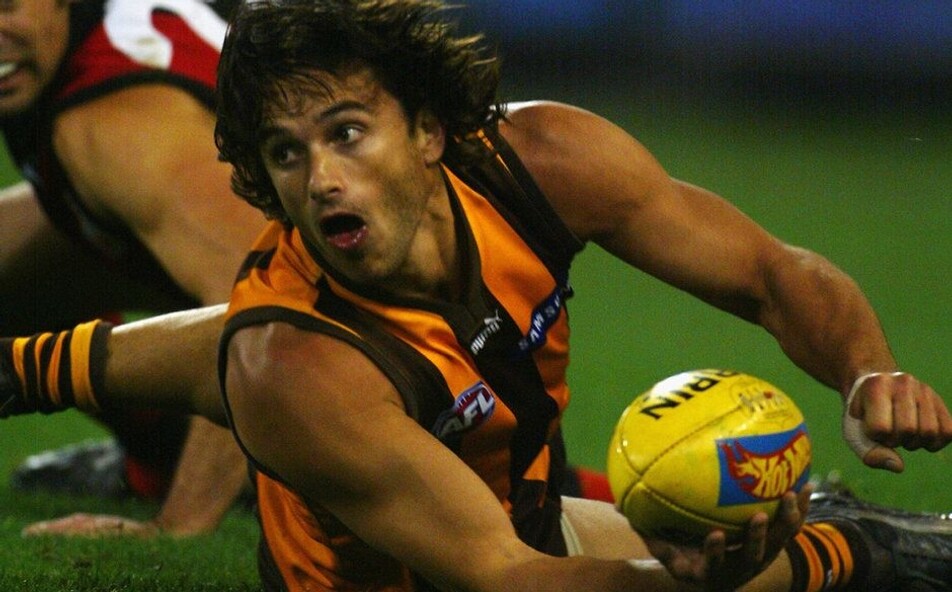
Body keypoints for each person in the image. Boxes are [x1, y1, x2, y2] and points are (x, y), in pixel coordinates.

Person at [3, 0, 951, 590]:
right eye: (285, 153)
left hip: (516, 512)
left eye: (346, 133)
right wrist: (812, 563)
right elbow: (503, 577)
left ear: (428, 131)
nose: (320, 178)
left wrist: (867, 372)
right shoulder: (292, 362)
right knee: (817, 565)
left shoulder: (542, 161)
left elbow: (773, 275)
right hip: (417, 573)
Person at [0, 0, 264, 536]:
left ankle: (250, 474)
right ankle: (161, 454)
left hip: (410, 336)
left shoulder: (114, 123)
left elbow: (265, 306)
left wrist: (179, 527)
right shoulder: (84, 69)